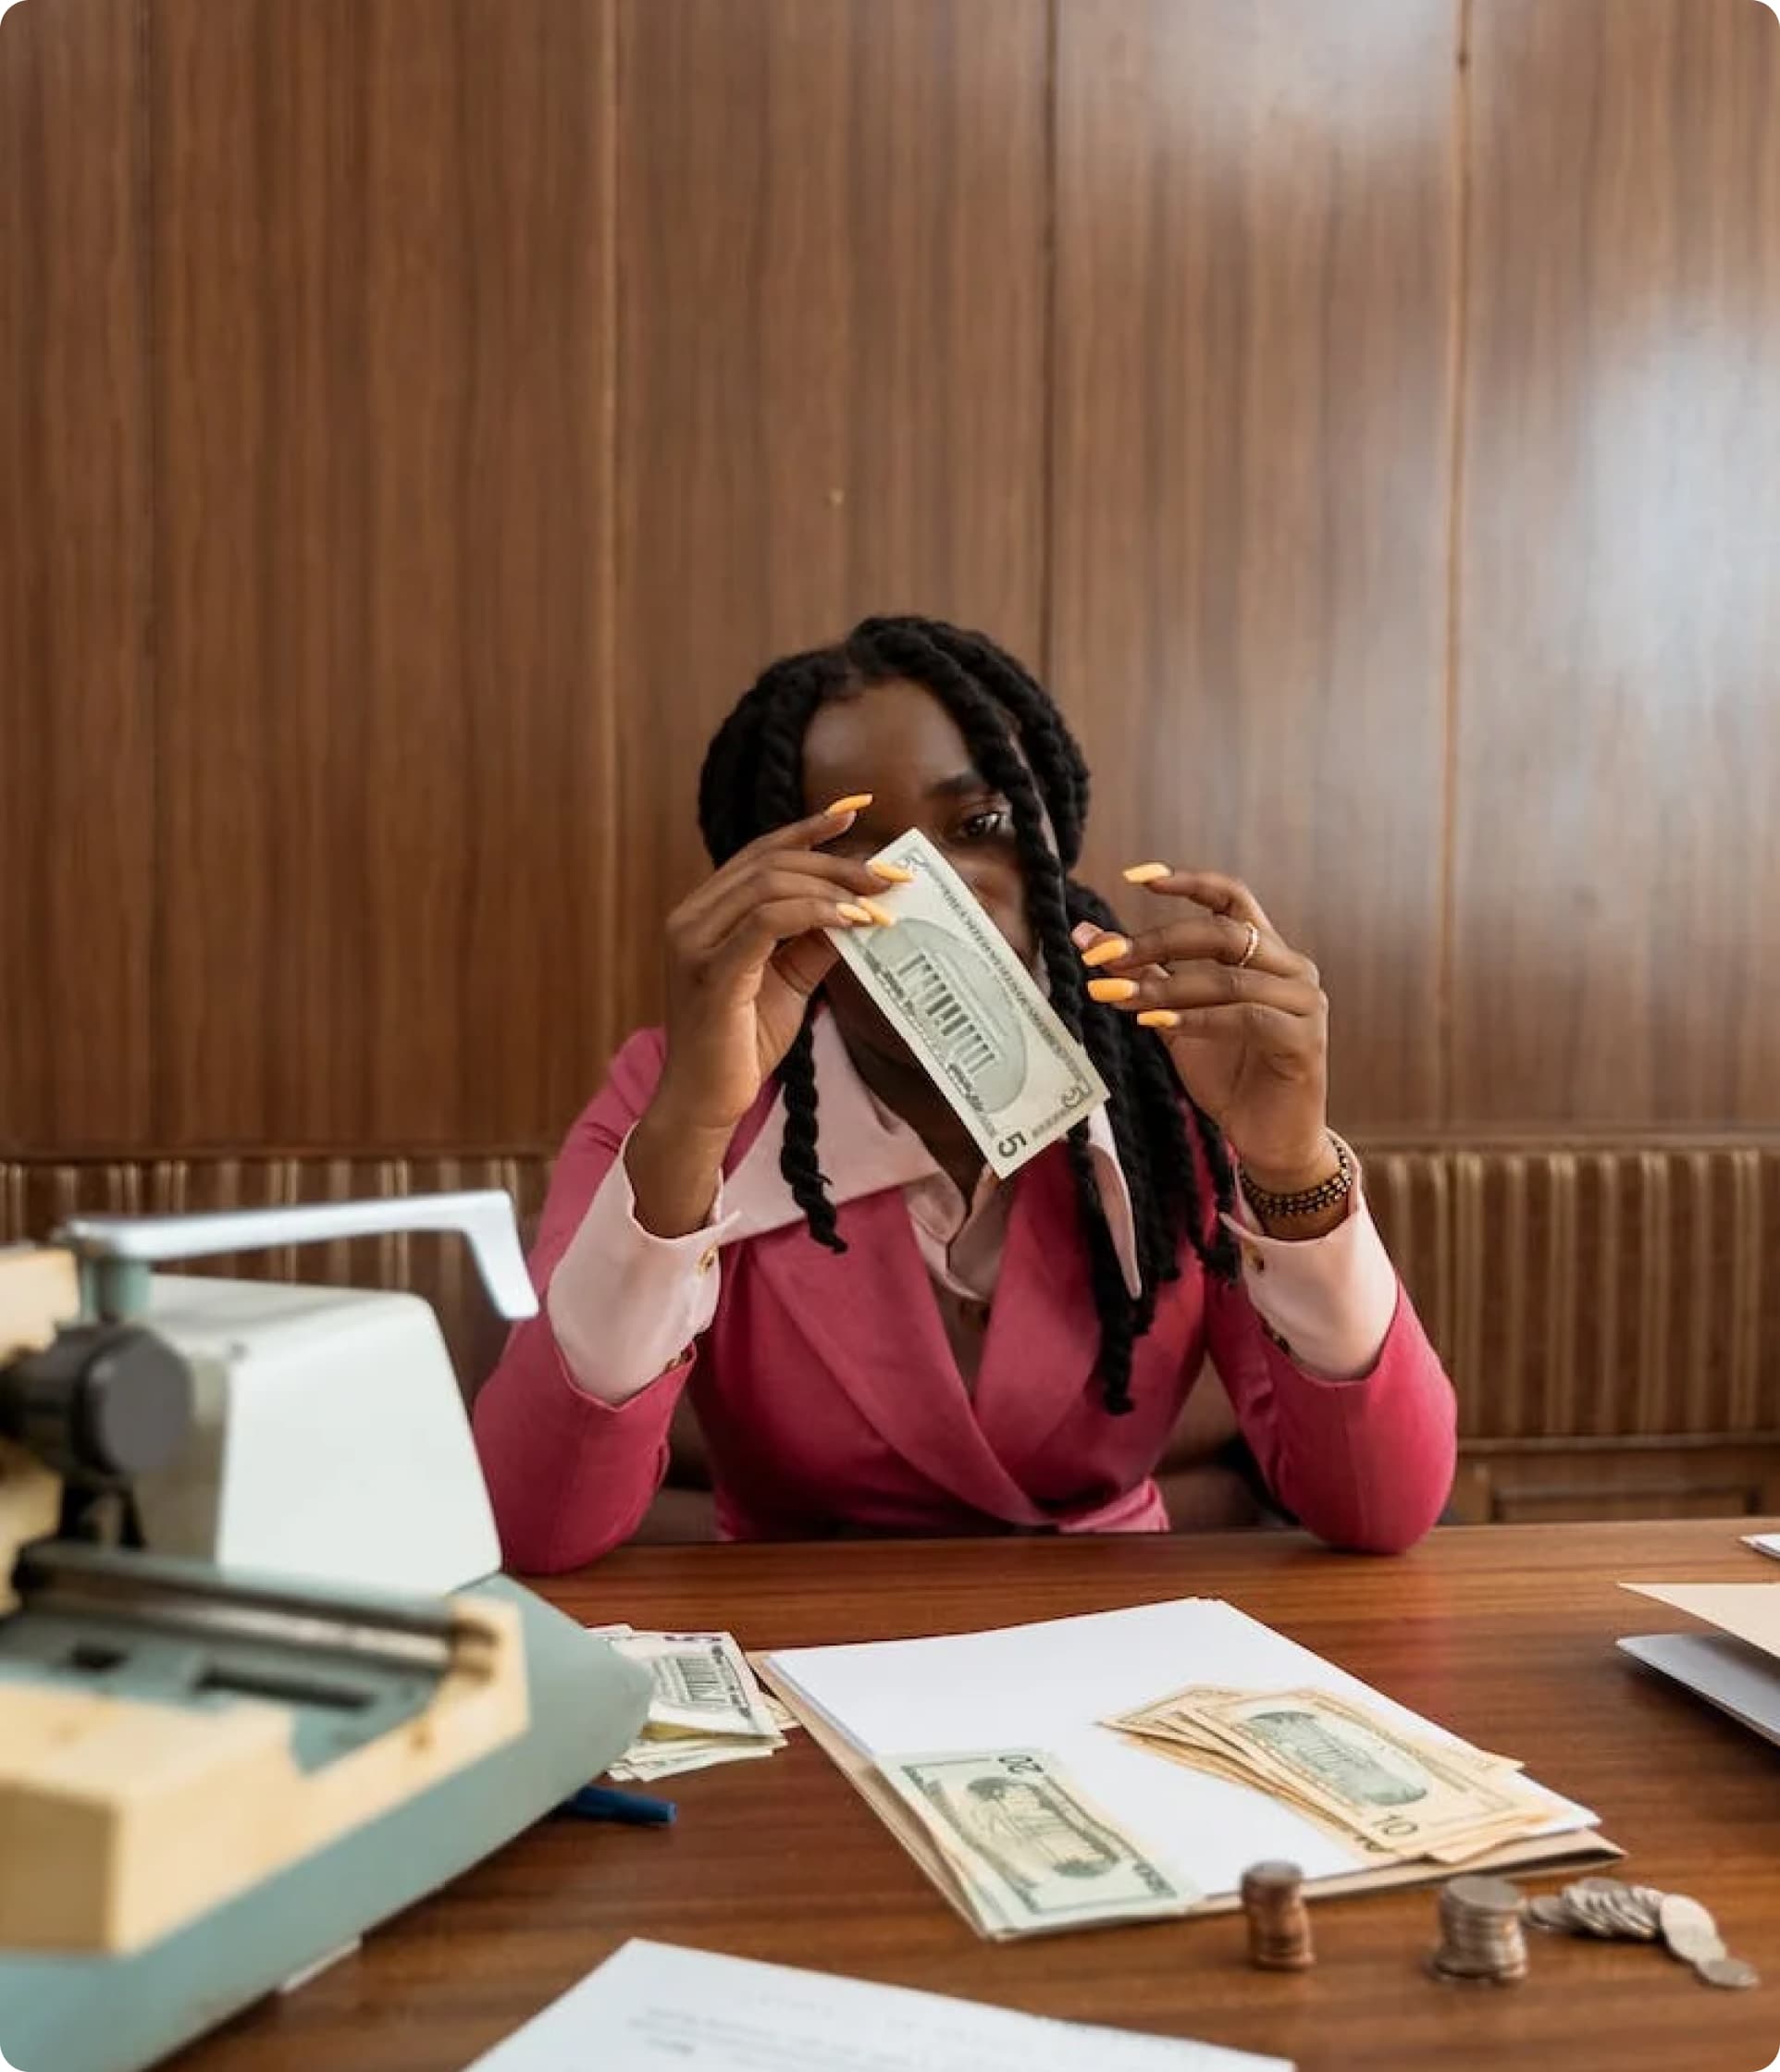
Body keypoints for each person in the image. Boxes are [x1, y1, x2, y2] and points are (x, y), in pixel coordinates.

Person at [474, 615, 1456, 1570]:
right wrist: (691, 1126)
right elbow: (537, 1522)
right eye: (858, 852)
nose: (932, 887)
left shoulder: (1176, 1070)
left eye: (979, 826)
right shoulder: (678, 1090)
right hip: (802, 1643)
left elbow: (1381, 1509)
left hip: (1115, 1637)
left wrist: (1292, 1166)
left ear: (1043, 854)